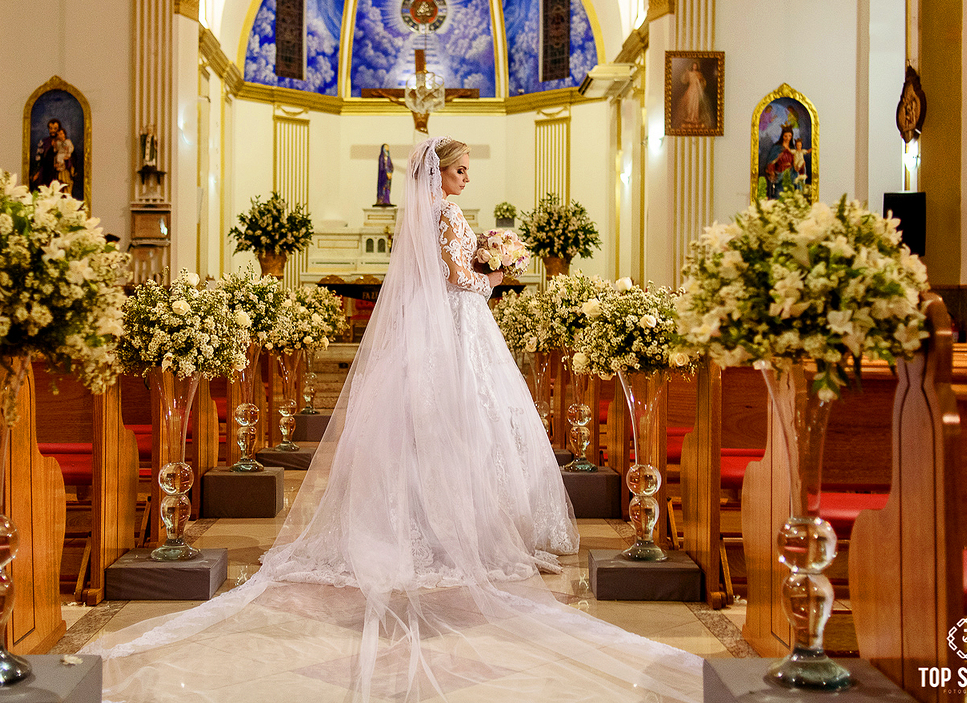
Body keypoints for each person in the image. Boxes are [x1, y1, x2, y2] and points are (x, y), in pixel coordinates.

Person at [91, 137, 703, 703]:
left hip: (432, 331)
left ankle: (421, 522)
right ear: (441, 174)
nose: (466, 178)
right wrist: (495, 274)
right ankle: (459, 527)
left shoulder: (424, 214)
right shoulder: (447, 213)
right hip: (460, 327)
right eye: (461, 170)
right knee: (468, 424)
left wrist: (485, 260)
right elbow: (458, 278)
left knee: (429, 428)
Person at [675, 59, 713, 130]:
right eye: (694, 65)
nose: (694, 67)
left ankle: (695, 118)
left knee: (696, 104)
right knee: (689, 104)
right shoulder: (690, 73)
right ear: (692, 66)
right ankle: (690, 117)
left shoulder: (699, 74)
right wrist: (686, 73)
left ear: (697, 67)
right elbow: (685, 80)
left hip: (696, 91)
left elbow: (703, 82)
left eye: (695, 66)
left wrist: (700, 81)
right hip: (691, 90)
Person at [31, 118, 61, 188]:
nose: (53, 130)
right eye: (51, 128)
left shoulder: (63, 141)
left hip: (58, 171)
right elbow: (39, 158)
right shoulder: (44, 142)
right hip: (46, 172)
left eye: (55, 128)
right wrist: (37, 171)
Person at [54, 126, 75, 194]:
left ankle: (67, 192)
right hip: (59, 159)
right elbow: (55, 150)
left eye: (61, 134)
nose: (60, 135)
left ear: (64, 134)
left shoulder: (67, 141)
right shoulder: (57, 142)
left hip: (65, 161)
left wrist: (67, 155)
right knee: (60, 180)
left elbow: (69, 148)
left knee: (66, 179)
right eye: (59, 134)